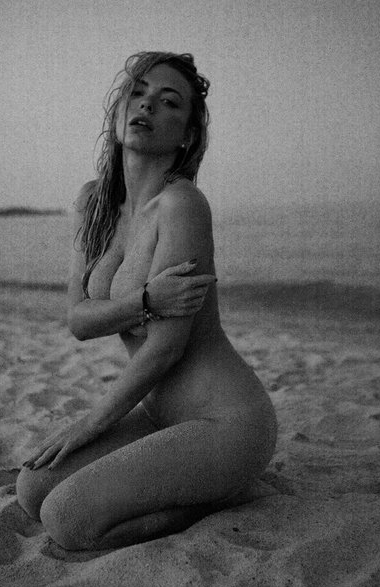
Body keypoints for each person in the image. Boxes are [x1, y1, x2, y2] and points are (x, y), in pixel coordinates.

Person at [16, 51, 277, 550]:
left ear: (188, 135)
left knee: (68, 519)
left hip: (224, 421)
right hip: (159, 415)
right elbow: (78, 321)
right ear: (118, 110)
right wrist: (146, 300)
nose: (147, 105)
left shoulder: (182, 204)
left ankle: (227, 493)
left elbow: (166, 347)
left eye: (169, 101)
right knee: (33, 490)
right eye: (137, 93)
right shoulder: (93, 204)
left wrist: (90, 424)